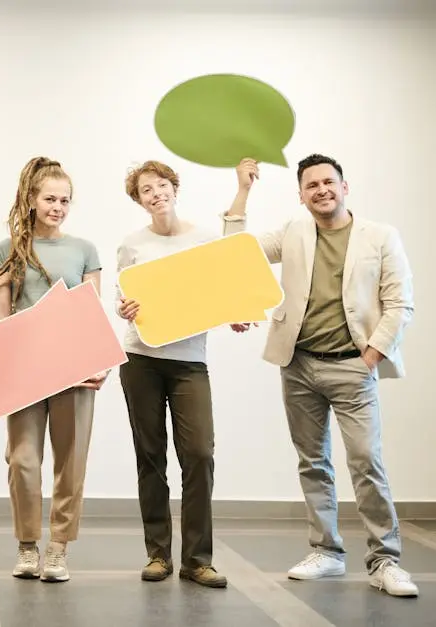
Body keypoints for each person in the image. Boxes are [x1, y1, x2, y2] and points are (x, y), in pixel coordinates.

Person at [225, 153, 418, 597]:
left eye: (328, 182)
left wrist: (370, 355)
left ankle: (385, 560)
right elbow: (235, 253)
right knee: (313, 463)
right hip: (299, 365)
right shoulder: (295, 231)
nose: (321, 190)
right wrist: (243, 190)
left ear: (344, 186)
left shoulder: (380, 236)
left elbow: (400, 303)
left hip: (353, 364)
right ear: (301, 195)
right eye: (311, 186)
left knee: (366, 462)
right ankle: (326, 552)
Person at [114, 159, 258, 589]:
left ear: (174, 188)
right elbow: (123, 299)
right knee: (150, 456)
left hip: (189, 360)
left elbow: (223, 282)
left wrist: (234, 312)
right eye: (146, 190)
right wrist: (124, 308)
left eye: (161, 185)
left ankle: (197, 559)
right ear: (139, 200)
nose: (155, 193)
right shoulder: (132, 244)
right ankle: (158, 554)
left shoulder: (202, 239)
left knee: (198, 454)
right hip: (140, 359)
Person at [0, 156, 104, 583]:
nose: (58, 207)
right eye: (50, 198)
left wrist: (100, 363)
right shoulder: (7, 248)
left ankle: (59, 549)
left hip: (74, 370)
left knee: (71, 460)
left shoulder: (84, 250)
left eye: (65, 200)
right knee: (23, 461)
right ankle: (27, 546)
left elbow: (92, 312)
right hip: (23, 370)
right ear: (31, 199)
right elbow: (0, 309)